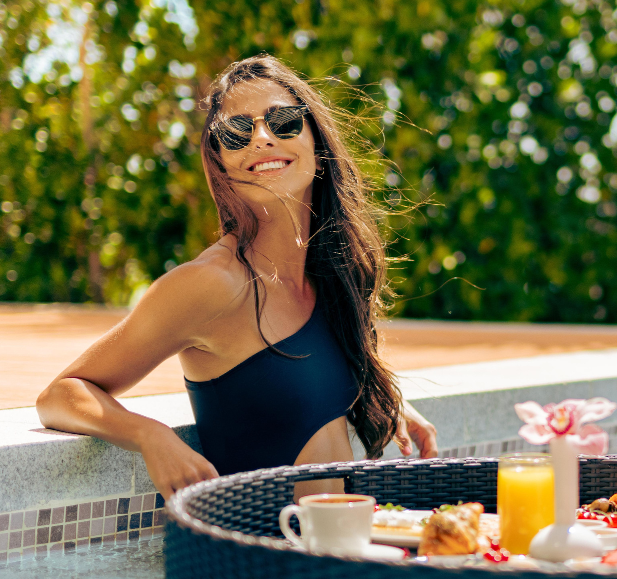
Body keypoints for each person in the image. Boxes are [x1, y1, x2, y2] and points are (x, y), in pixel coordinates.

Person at [37, 55, 438, 500]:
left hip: (341, 549)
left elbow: (305, 393)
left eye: (284, 120)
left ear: (317, 143)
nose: (262, 139)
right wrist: (150, 436)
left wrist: (385, 400)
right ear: (221, 161)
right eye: (236, 132)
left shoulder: (332, 277)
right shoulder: (213, 284)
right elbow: (60, 394)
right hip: (263, 556)